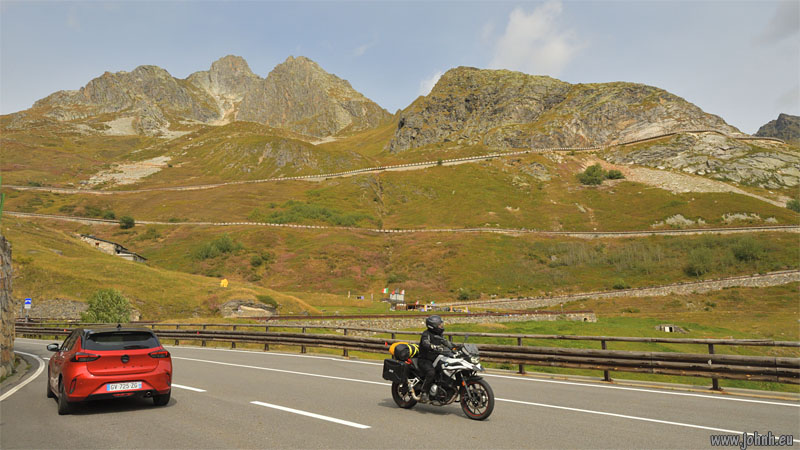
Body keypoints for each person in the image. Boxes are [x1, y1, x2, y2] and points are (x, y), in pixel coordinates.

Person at [418, 315, 455, 402]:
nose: (441, 326)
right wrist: (433, 347)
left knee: (446, 369)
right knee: (431, 372)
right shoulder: (426, 334)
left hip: (436, 358)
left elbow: (445, 342)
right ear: (433, 326)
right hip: (424, 359)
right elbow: (425, 343)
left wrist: (454, 347)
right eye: (439, 325)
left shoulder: (439, 334)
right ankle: (424, 392)